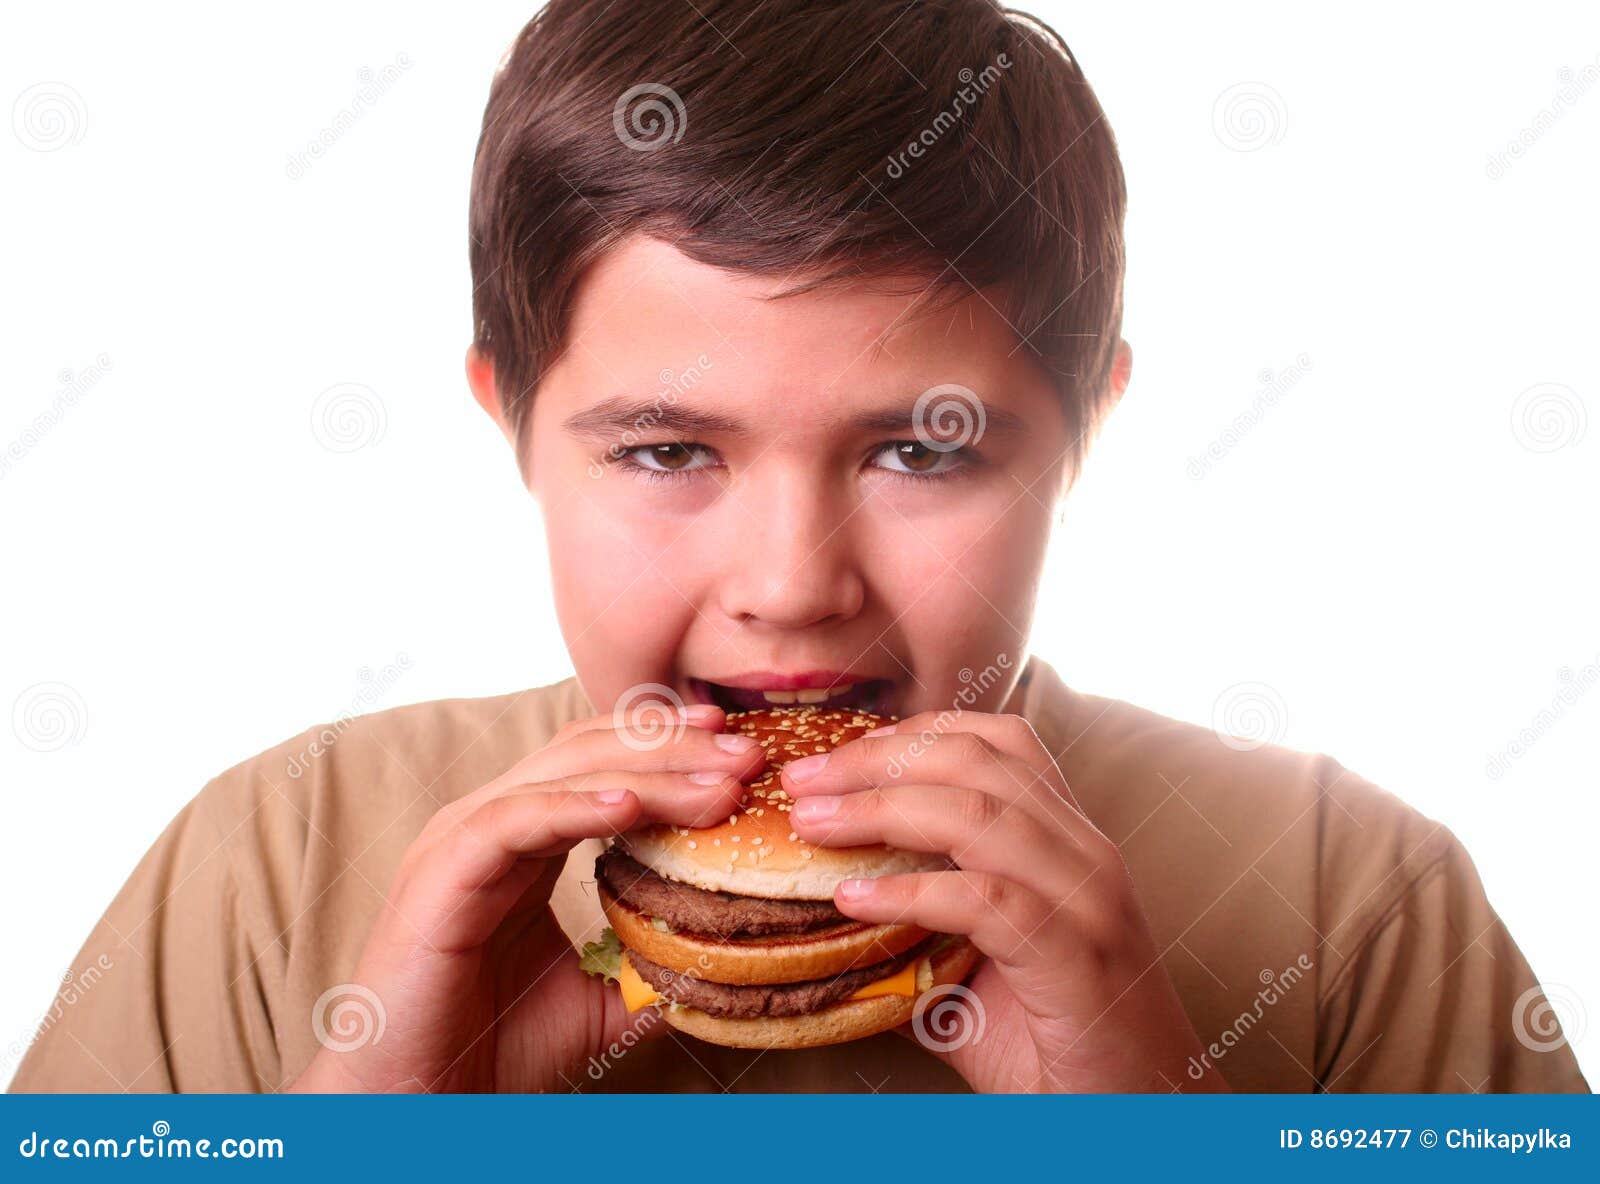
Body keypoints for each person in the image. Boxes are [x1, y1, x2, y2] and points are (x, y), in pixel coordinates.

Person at [10, 0, 1587, 1093]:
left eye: (922, 450)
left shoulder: (1348, 895)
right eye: (667, 451)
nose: (790, 584)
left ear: (1086, 428)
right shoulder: (271, 866)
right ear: (510, 426)